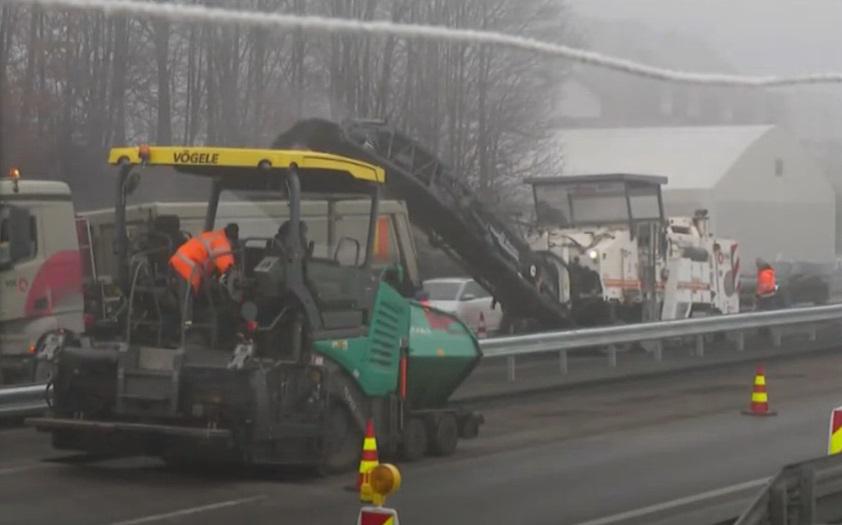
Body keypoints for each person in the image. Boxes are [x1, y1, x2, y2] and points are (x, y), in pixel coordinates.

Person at [169, 223, 239, 294]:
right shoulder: (223, 243)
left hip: (176, 260)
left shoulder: (210, 235)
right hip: (188, 268)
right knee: (190, 296)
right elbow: (228, 268)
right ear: (232, 240)